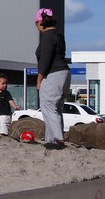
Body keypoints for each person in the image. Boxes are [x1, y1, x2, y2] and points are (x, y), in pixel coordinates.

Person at [34, 8, 71, 146]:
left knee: (48, 106)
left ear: (40, 22)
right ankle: (52, 140)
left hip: (54, 74)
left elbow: (45, 59)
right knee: (56, 108)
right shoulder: (59, 35)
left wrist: (39, 79)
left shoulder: (47, 36)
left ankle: (57, 138)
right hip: (65, 73)